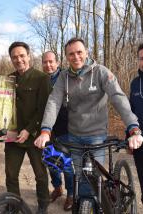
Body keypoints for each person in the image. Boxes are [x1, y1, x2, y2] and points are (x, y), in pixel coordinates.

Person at [34, 38, 143, 198]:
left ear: (86, 52)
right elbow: (53, 102)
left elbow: (118, 99)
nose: (76, 57)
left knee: (93, 178)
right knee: (80, 177)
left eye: (79, 52)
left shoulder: (101, 72)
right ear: (66, 57)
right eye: (71, 54)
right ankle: (85, 205)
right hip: (74, 135)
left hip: (96, 136)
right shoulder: (63, 77)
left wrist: (133, 127)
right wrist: (45, 130)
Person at [5, 41, 51, 214]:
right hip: (13, 136)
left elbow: (44, 109)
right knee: (11, 175)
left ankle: (43, 203)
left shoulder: (42, 78)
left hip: (35, 136)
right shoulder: (8, 79)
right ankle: (13, 205)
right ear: (11, 59)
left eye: (22, 55)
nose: (19, 60)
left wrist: (29, 130)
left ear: (29, 56)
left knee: (40, 174)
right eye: (14, 57)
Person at [42, 51, 73, 211]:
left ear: (57, 62)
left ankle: (71, 194)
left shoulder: (66, 78)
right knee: (51, 163)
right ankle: (57, 188)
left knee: (66, 165)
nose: (48, 65)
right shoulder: (41, 80)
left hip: (65, 129)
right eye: (45, 62)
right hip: (47, 131)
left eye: (51, 62)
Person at [130, 43, 143, 204]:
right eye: (141, 58)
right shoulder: (134, 83)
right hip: (139, 141)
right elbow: (130, 112)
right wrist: (131, 135)